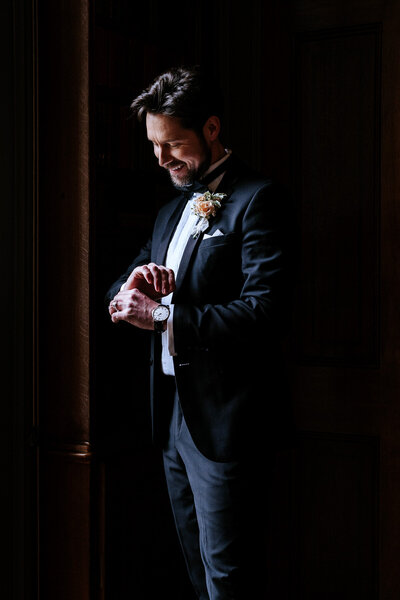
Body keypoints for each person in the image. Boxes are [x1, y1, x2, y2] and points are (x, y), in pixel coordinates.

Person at [106, 65, 293, 599]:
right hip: (170, 417)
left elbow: (266, 313)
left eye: (173, 145)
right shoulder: (170, 209)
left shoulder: (259, 201)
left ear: (212, 129)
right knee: (195, 571)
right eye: (154, 145)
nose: (161, 159)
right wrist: (132, 289)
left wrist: (165, 317)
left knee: (230, 580)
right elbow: (124, 285)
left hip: (227, 422)